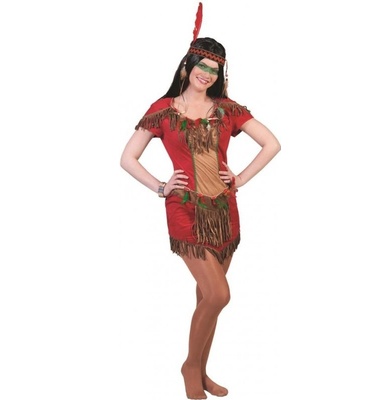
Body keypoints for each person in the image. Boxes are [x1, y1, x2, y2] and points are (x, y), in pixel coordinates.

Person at [120, 3, 281, 398]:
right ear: (187, 66)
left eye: (215, 69)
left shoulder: (228, 109)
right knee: (219, 295)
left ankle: (202, 369)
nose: (207, 74)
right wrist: (161, 186)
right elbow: (128, 158)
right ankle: (190, 366)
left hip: (224, 212)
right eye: (202, 65)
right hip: (186, 211)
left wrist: (239, 178)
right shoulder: (162, 110)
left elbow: (272, 143)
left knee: (206, 297)